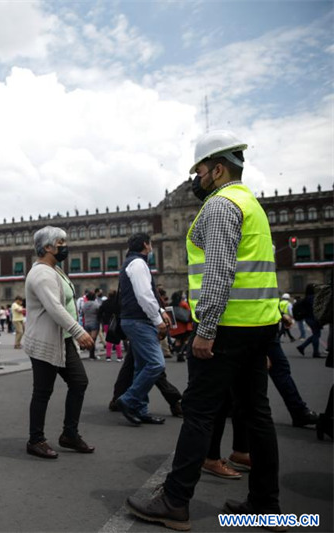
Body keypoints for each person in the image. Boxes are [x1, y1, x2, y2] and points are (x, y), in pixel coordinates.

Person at [126, 130, 283, 530]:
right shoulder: (251, 205)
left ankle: (175, 501)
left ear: (216, 169)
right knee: (256, 415)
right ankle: (266, 506)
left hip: (227, 327)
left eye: (198, 171)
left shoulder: (219, 206)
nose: (195, 178)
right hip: (260, 325)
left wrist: (206, 328)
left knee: (199, 412)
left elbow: (218, 272)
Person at [23, 227, 95, 459]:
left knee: (79, 382)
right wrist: (78, 331)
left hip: (63, 340)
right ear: (47, 247)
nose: (65, 246)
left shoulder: (55, 270)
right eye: (61, 242)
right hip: (45, 341)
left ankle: (69, 434)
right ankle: (36, 440)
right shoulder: (42, 274)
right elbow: (55, 307)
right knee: (42, 391)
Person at [113, 233, 171, 426]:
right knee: (156, 364)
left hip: (137, 320)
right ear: (146, 244)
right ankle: (128, 399)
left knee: (141, 367)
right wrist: (157, 320)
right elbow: (144, 295)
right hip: (139, 321)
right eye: (151, 243)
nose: (152, 247)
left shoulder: (135, 262)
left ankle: (141, 409)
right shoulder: (138, 264)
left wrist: (161, 310)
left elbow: (148, 293)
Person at [296, 283, 323, 358]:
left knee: (316, 334)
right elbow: (315, 309)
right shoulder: (312, 298)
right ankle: (315, 352)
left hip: (308, 318)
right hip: (313, 318)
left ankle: (302, 346)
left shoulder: (306, 298)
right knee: (316, 335)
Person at [98, 290, 123, 362]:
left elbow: (100, 312)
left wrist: (101, 320)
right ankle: (119, 356)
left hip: (107, 323)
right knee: (117, 339)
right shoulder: (118, 303)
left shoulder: (105, 302)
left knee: (108, 339)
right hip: (117, 322)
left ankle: (108, 356)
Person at [82, 292, 101, 360]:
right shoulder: (96, 304)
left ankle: (91, 354)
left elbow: (82, 313)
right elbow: (100, 311)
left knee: (90, 339)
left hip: (87, 323)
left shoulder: (84, 305)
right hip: (94, 322)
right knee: (93, 339)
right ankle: (92, 355)